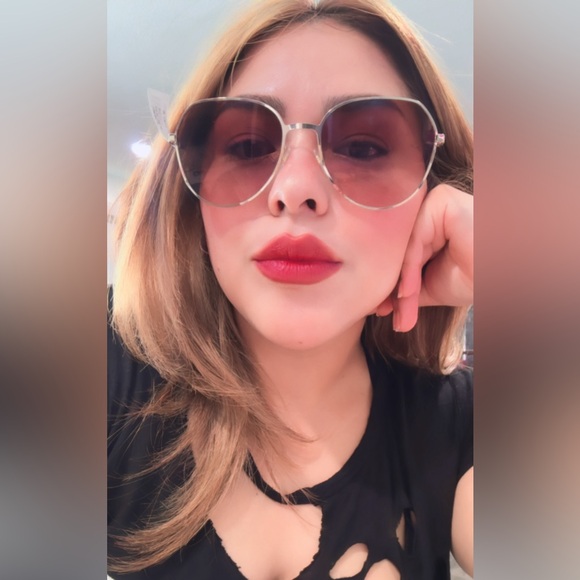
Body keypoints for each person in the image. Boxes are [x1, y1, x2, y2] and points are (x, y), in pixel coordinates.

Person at [107, 0, 473, 578]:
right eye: (248, 147)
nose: (295, 189)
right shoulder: (105, 367)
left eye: (363, 147)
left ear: (434, 190)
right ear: (191, 200)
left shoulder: (459, 421)